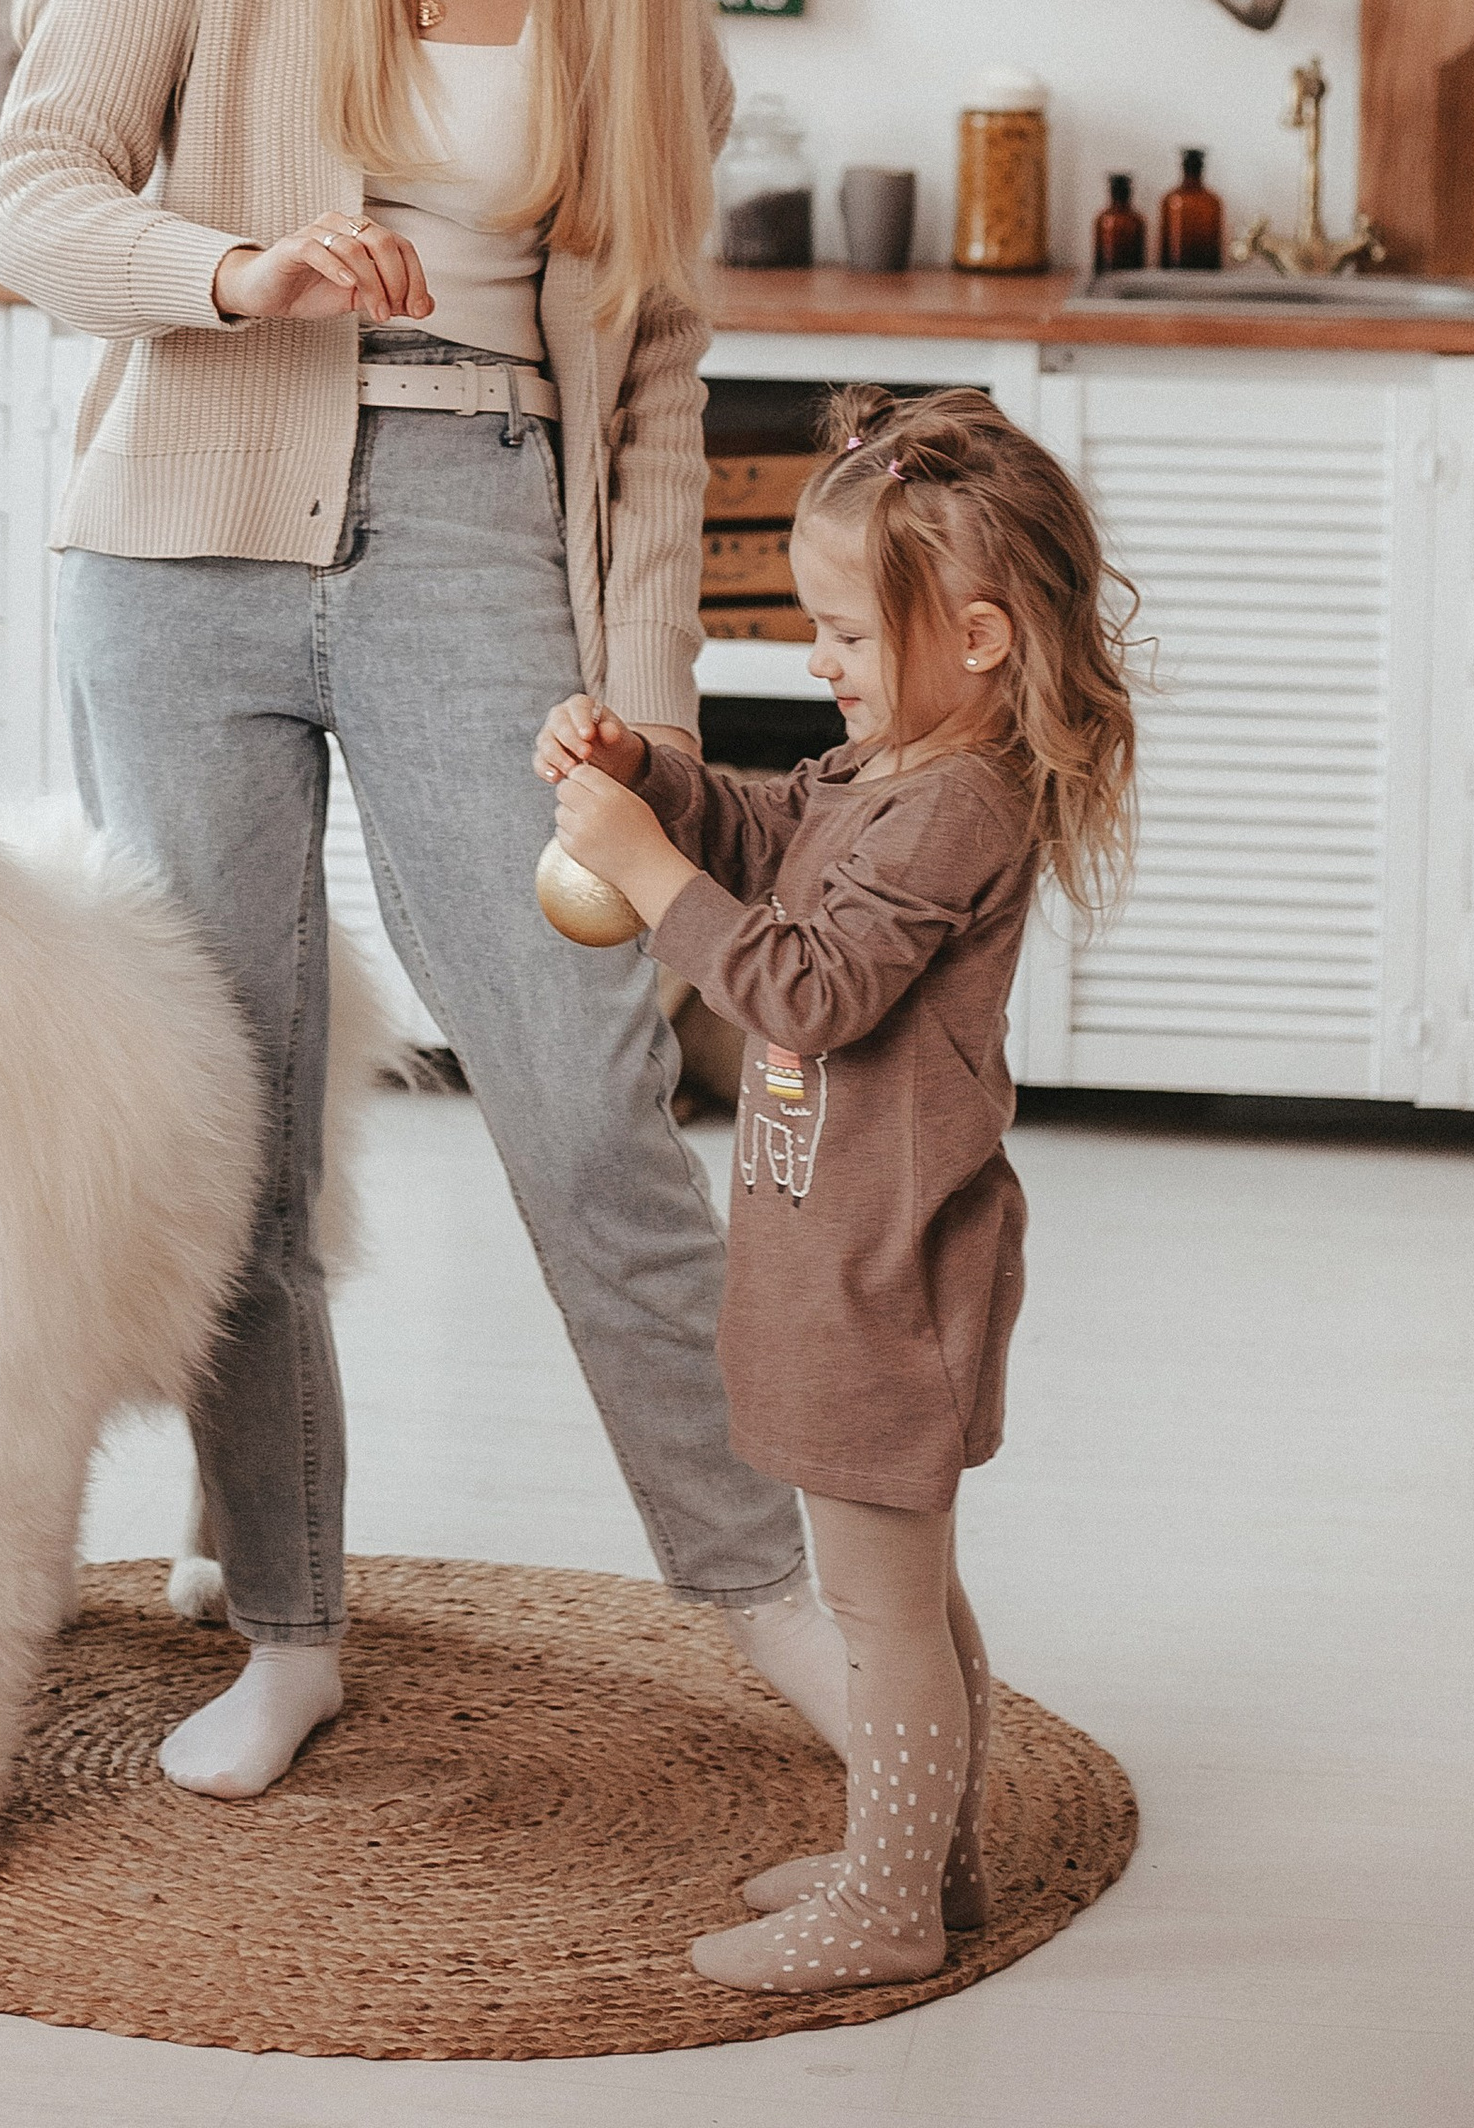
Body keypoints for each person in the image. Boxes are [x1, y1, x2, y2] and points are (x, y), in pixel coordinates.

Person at [0, 0, 844, 1801]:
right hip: (179, 531)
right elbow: (31, 195)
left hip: (483, 532)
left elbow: (654, 383)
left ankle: (770, 1594)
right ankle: (282, 1617)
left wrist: (648, 710)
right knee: (232, 1121)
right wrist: (235, 269)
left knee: (583, 1099)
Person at [538, 381, 1137, 1992]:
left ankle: (885, 1904)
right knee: (903, 1603)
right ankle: (919, 1867)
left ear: (985, 640)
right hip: (834, 1254)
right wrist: (654, 782)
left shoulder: (958, 804)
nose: (820, 666)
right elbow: (761, 828)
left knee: (884, 1613)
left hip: (893, 1274)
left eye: (848, 637)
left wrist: (647, 876)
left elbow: (805, 988)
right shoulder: (882, 772)